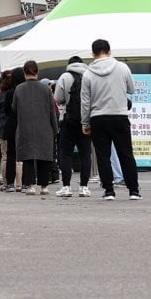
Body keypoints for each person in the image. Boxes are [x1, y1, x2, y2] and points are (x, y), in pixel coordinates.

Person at [81, 38, 141, 201]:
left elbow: (85, 101)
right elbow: (131, 89)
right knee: (126, 153)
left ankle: (109, 190)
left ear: (93, 54)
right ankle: (133, 190)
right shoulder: (122, 68)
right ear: (109, 51)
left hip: (98, 117)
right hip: (119, 115)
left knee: (103, 155)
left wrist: (85, 123)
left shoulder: (87, 74)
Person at [12, 61, 58, 196]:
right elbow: (52, 111)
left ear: (24, 73)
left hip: (25, 127)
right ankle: (44, 186)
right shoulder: (46, 89)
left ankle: (30, 185)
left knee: (28, 157)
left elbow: (14, 108)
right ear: (37, 72)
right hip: (44, 127)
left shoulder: (19, 89)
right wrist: (55, 129)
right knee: (44, 157)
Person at [53, 56, 93, 197]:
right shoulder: (89, 75)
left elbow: (57, 98)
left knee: (66, 154)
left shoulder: (64, 76)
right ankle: (84, 187)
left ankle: (66, 187)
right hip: (85, 120)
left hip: (68, 120)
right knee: (85, 154)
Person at [0, 68, 26, 192]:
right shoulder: (27, 91)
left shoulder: (10, 93)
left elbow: (6, 110)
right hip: (25, 124)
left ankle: (10, 183)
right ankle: (25, 183)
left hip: (12, 125)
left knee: (11, 155)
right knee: (26, 155)